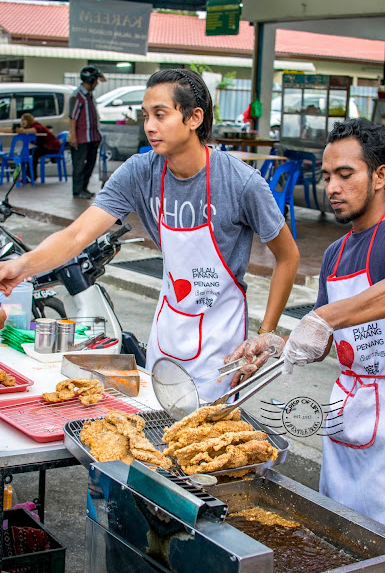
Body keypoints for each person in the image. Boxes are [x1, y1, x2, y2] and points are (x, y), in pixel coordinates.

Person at [0, 68, 299, 404]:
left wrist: (265, 333)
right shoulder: (140, 173)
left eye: (161, 114)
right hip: (167, 333)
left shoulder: (240, 183)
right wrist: (21, 266)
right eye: (146, 116)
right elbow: (75, 236)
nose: (149, 126)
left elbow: (288, 257)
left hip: (222, 349)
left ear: (194, 118)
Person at [226, 118, 385, 540]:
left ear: (380, 176)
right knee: (339, 536)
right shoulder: (335, 253)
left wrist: (325, 317)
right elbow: (322, 344)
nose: (331, 187)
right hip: (346, 416)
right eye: (326, 175)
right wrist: (281, 344)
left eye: (345, 174)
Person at [69, 65, 106, 199]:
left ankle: (84, 188)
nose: (97, 83)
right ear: (90, 80)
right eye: (95, 80)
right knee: (79, 165)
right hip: (81, 137)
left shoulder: (89, 95)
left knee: (90, 164)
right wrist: (73, 136)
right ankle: (78, 190)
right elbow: (72, 118)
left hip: (92, 137)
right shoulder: (77, 96)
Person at [14, 112, 61, 182]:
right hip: (46, 146)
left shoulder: (35, 124)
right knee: (28, 152)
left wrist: (23, 130)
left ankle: (31, 176)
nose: (22, 122)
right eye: (21, 120)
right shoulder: (28, 128)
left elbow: (36, 130)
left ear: (28, 120)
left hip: (52, 147)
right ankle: (28, 175)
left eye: (24, 120)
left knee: (33, 154)